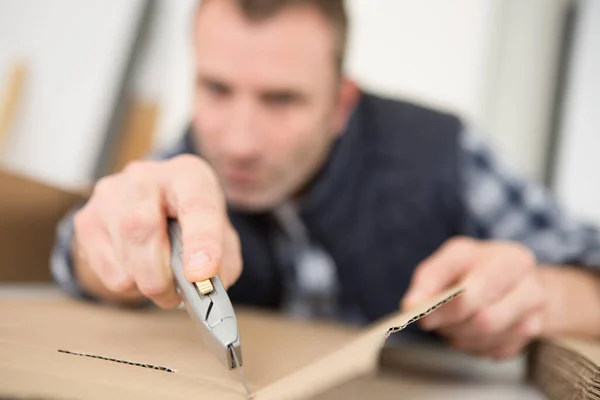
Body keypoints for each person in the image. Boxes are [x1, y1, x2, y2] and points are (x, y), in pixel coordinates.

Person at [52, 0, 600, 360]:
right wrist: (102, 249)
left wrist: (541, 297)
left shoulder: (442, 151)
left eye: (282, 99)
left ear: (341, 104)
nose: (239, 141)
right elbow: (76, 256)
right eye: (216, 89)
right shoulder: (181, 164)